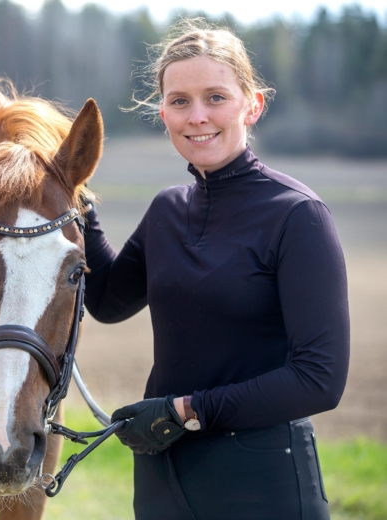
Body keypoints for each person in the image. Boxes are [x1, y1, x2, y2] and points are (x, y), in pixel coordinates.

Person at [83, 19, 349, 519]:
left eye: (215, 97)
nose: (197, 116)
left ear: (253, 105)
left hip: (260, 483)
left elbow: (321, 379)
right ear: (162, 112)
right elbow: (107, 302)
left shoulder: (296, 215)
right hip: (163, 480)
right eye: (180, 101)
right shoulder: (166, 211)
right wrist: (79, 201)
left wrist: (185, 411)